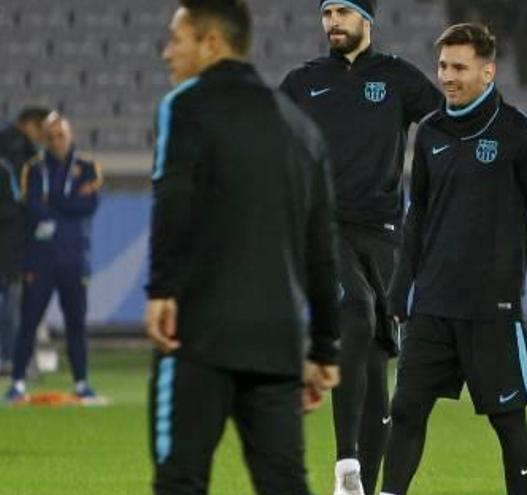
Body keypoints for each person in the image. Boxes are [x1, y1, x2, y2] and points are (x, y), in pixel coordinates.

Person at [144, 0, 341, 493]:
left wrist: (161, 289)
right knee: (284, 486)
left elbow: (173, 198)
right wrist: (323, 348)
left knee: (180, 482)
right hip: (276, 344)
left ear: (211, 43)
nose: (167, 53)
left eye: (176, 39)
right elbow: (321, 245)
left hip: (196, 337)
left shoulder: (185, 104)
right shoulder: (301, 129)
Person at [380, 23, 527, 495]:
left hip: (492, 308)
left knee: (507, 421)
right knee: (404, 409)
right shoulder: (431, 133)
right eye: (443, 66)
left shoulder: (521, 134)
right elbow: (417, 215)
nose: (447, 76)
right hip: (433, 303)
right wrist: (401, 286)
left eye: (459, 67)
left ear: (488, 71)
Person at [279, 2, 441, 493]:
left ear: (366, 20)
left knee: (374, 358)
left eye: (342, 13)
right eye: (326, 13)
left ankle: (362, 487)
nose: (332, 22)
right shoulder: (302, 82)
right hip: (322, 227)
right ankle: (345, 464)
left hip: (386, 234)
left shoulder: (397, 78)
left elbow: (446, 127)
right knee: (356, 308)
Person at [3, 113, 103, 403]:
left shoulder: (87, 168)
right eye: (50, 136)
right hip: (40, 260)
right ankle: (18, 383)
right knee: (28, 322)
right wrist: (67, 204)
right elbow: (32, 208)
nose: (56, 141)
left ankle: (82, 382)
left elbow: (88, 206)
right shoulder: (33, 169)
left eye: (61, 135)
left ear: (70, 136)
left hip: (73, 258)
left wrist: (55, 202)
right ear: (44, 139)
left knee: (76, 323)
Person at [0, 107, 50, 376]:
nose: (44, 135)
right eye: (41, 128)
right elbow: (20, 198)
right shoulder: (15, 152)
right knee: (13, 295)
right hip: (10, 237)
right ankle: (10, 357)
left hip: (11, 234)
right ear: (29, 124)